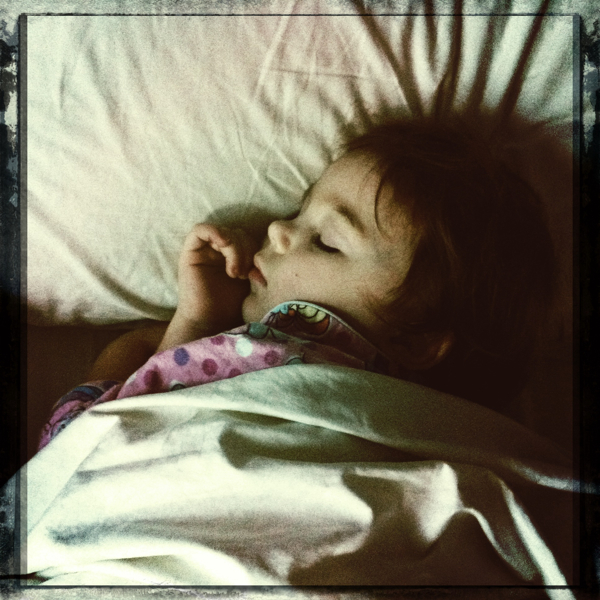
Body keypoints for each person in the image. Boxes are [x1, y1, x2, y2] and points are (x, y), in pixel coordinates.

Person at [38, 119, 556, 450]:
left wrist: (193, 325)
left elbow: (72, 439)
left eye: (327, 241)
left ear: (416, 341)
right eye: (298, 211)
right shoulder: (240, 350)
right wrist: (197, 322)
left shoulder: (437, 433)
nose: (278, 230)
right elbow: (102, 447)